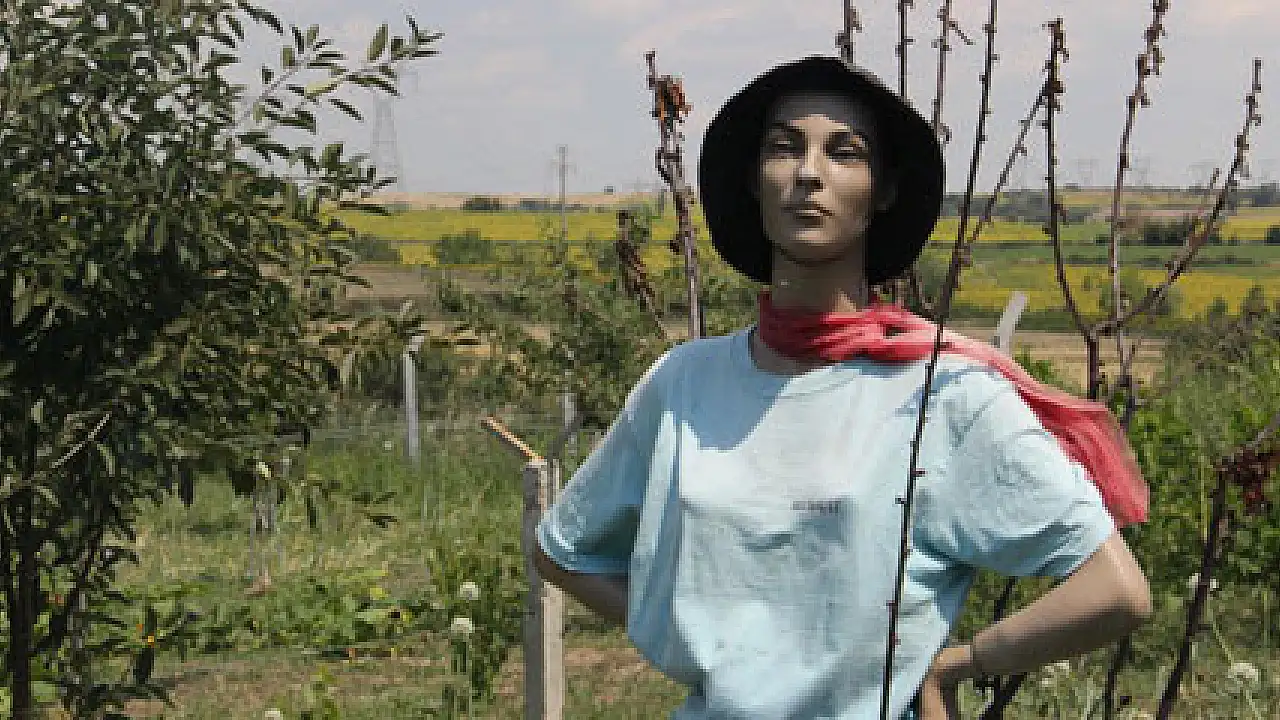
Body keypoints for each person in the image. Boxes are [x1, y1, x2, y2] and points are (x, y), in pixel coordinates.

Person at [534, 56, 1152, 719]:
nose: (808, 172)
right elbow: (563, 549)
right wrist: (696, 646)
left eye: (844, 152)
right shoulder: (683, 383)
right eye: (784, 147)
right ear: (753, 180)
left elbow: (1115, 589)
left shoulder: (939, 391)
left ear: (883, 190)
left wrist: (955, 666)